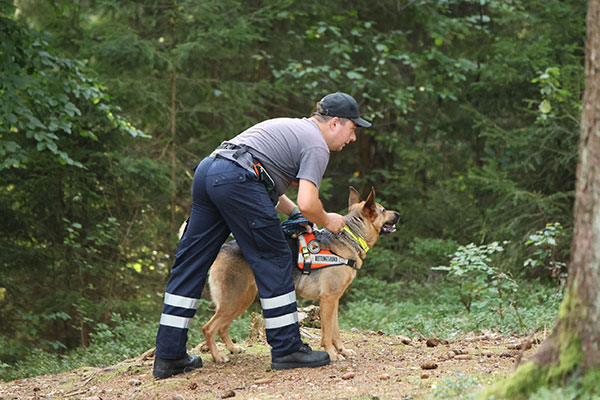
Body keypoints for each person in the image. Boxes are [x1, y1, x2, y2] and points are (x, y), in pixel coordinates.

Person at [153, 92, 371, 379]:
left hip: (210, 171)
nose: (352, 138)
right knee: (274, 257)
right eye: (352, 129)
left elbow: (270, 184)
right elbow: (308, 201)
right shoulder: (317, 145)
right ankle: (288, 349)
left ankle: (169, 356)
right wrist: (327, 219)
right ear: (334, 123)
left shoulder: (292, 128)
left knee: (191, 262)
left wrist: (295, 214)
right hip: (237, 179)